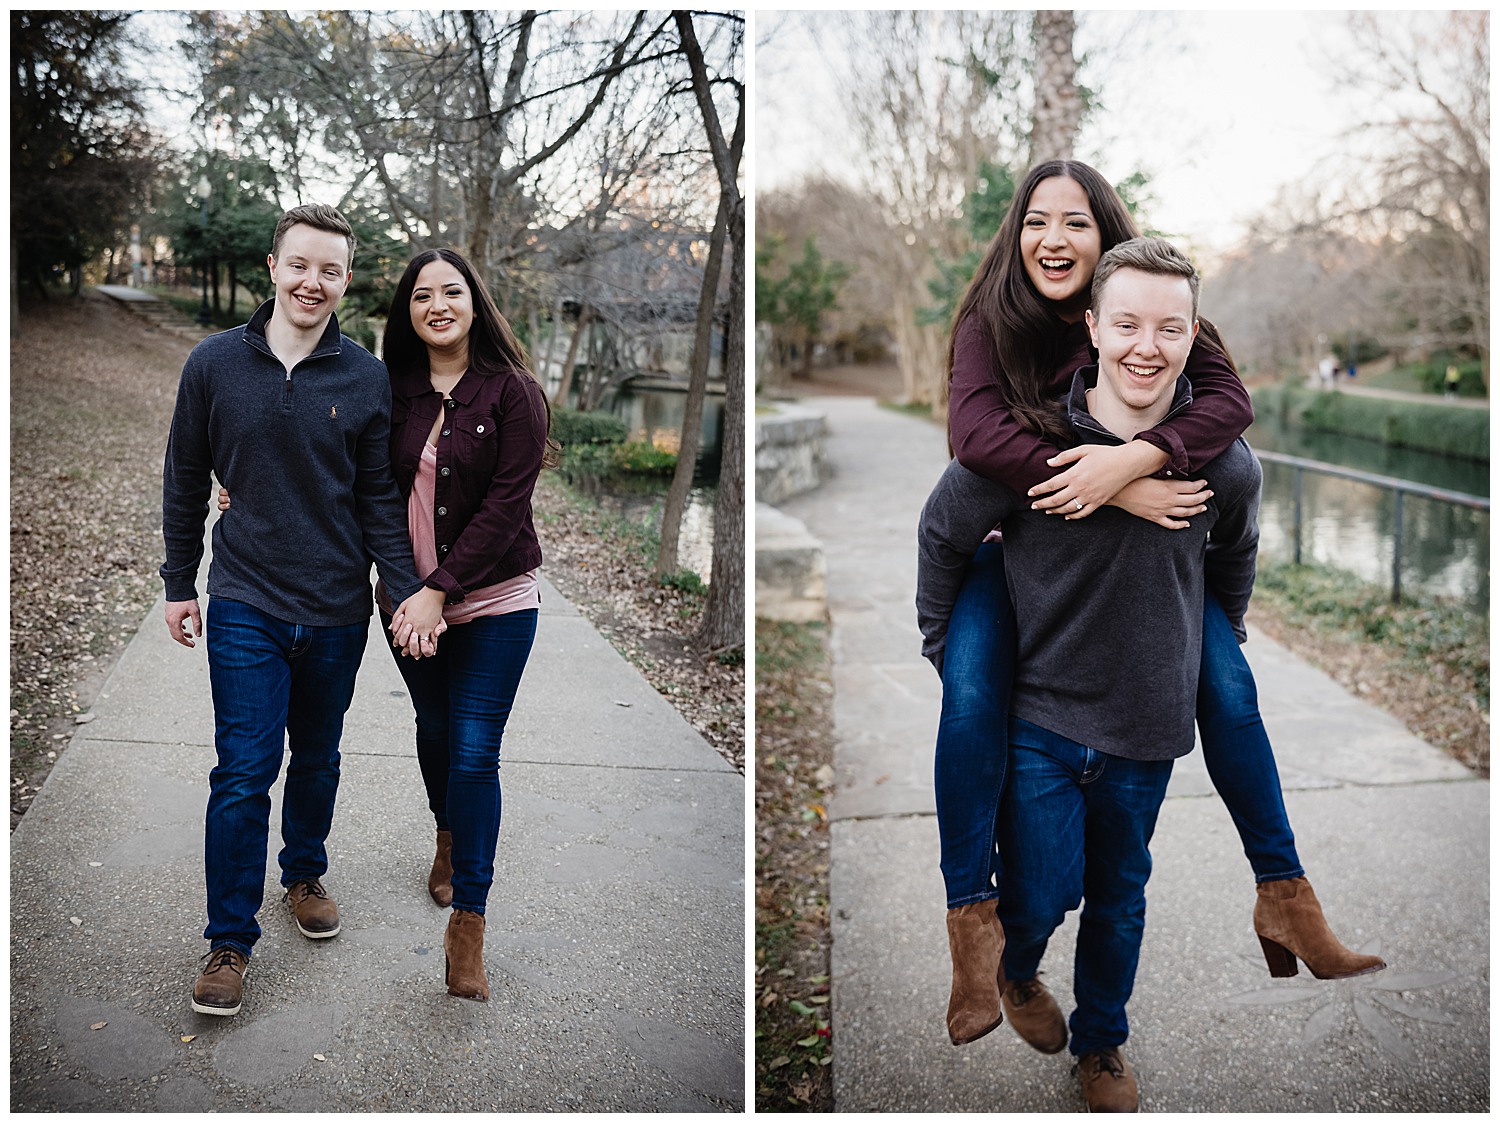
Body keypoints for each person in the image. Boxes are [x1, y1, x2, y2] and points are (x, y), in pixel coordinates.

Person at [929, 162, 1381, 1051]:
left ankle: (1283, 893)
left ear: (1105, 235)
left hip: (1142, 610)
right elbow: (974, 444)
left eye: (1076, 223)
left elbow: (1233, 412)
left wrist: (1142, 460)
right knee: (970, 696)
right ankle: (974, 922)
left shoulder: (1162, 311)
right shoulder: (995, 318)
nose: (1054, 238)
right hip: (1006, 531)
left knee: (1232, 686)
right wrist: (1105, 482)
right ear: (1094, 322)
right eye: (1037, 221)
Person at [920, 238, 1264, 1110]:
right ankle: (1018, 966)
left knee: (1118, 898)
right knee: (1037, 893)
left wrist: (1212, 639)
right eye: (1128, 325)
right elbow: (943, 530)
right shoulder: (1029, 444)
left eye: (1169, 328)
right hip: (1038, 720)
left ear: (1195, 337)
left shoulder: (1220, 460)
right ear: (1093, 327)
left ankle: (1103, 1044)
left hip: (1146, 726)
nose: (1147, 345)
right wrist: (940, 640)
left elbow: (1237, 553)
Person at [221, 246, 555, 1001]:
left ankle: (468, 920)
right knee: (434, 732)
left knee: (475, 752)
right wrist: (245, 490)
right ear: (406, 310)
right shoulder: (387, 387)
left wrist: (441, 588)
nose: (437, 305)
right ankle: (447, 834)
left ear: (476, 301)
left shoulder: (514, 393)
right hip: (407, 604)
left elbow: (507, 511)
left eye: (452, 291)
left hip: (492, 599)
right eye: (421, 295)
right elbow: (345, 473)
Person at [162, 203, 446, 1017]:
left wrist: (410, 593)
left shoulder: (363, 377)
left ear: (345, 280)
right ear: (274, 267)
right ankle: (227, 940)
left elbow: (379, 498)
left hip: (332, 608)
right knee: (245, 770)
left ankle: (304, 871)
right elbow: (186, 475)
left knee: (317, 756)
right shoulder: (213, 365)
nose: (311, 281)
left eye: (329, 269)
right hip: (245, 596)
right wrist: (179, 582)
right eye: (299, 265)